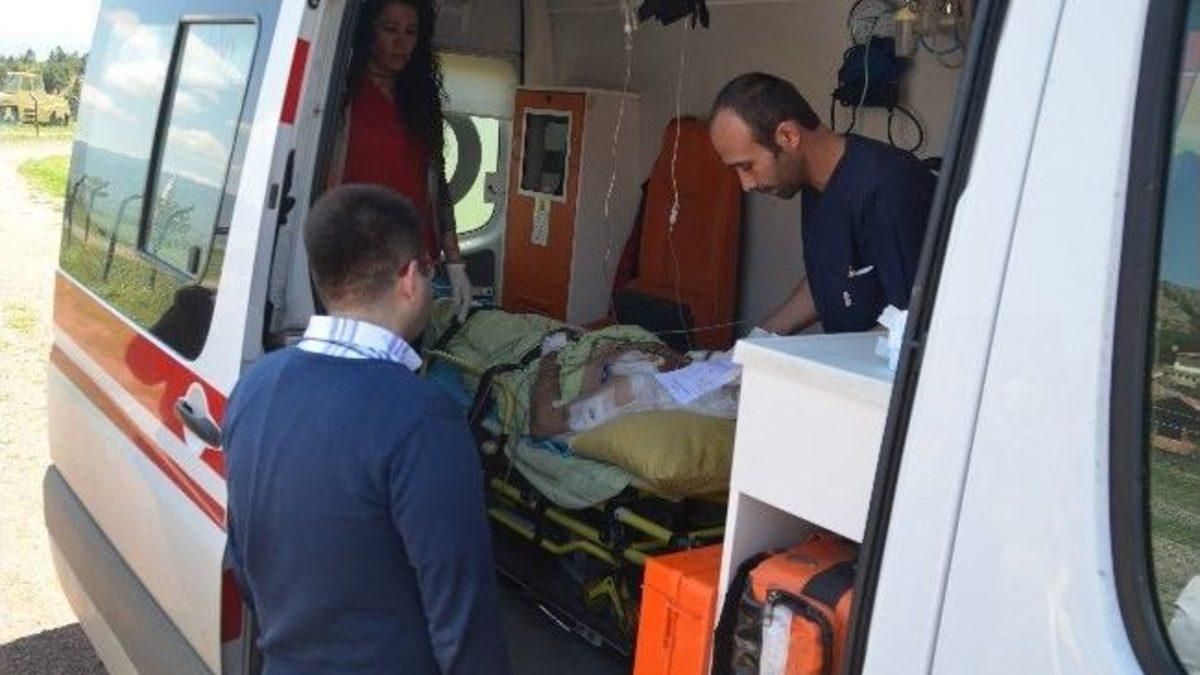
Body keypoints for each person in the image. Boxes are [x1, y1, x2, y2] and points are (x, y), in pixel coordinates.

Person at [223, 185, 510, 674]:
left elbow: (245, 560)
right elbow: (462, 613)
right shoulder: (424, 419)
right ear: (410, 279)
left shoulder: (254, 386)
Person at [709, 72, 936, 335]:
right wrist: (759, 339)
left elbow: (912, 323)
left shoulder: (888, 186)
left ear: (788, 136)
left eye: (747, 166)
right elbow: (832, 280)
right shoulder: (815, 183)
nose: (746, 184)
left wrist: (830, 360)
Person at [327, 0, 473, 322]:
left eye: (410, 32)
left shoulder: (421, 101)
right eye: (390, 29)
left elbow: (437, 184)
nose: (400, 42)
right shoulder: (341, 95)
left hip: (415, 266)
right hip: (359, 264)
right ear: (369, 32)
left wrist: (455, 261)